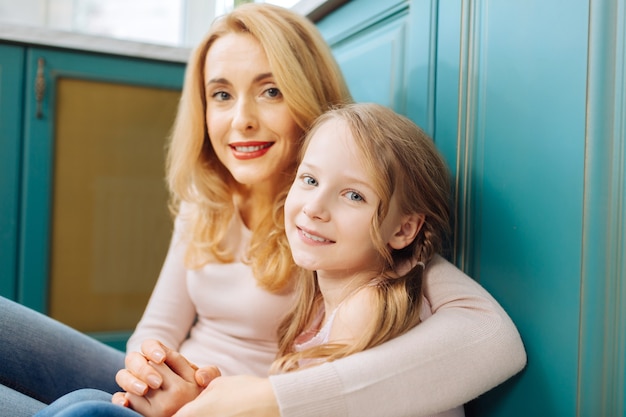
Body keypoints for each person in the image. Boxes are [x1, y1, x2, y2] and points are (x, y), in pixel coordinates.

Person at [0, 3, 526, 417]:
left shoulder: (344, 230)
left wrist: (266, 401)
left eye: (269, 91)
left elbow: (490, 340)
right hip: (180, 396)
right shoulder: (205, 201)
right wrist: (150, 366)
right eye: (222, 95)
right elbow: (158, 325)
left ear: (308, 95)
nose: (242, 120)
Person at [269, 102, 464, 417]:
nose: (315, 207)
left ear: (403, 229)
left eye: (354, 195)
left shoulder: (366, 310)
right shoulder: (324, 302)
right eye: (309, 180)